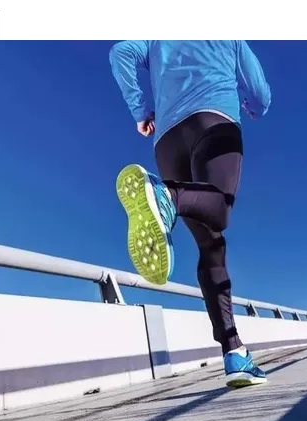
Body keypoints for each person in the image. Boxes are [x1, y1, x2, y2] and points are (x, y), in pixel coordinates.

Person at [109, 40, 271, 388]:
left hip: (167, 142)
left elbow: (120, 53)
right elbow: (260, 95)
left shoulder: (155, 37)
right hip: (214, 121)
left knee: (211, 243)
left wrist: (141, 112)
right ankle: (165, 195)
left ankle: (234, 352)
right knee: (220, 209)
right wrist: (252, 107)